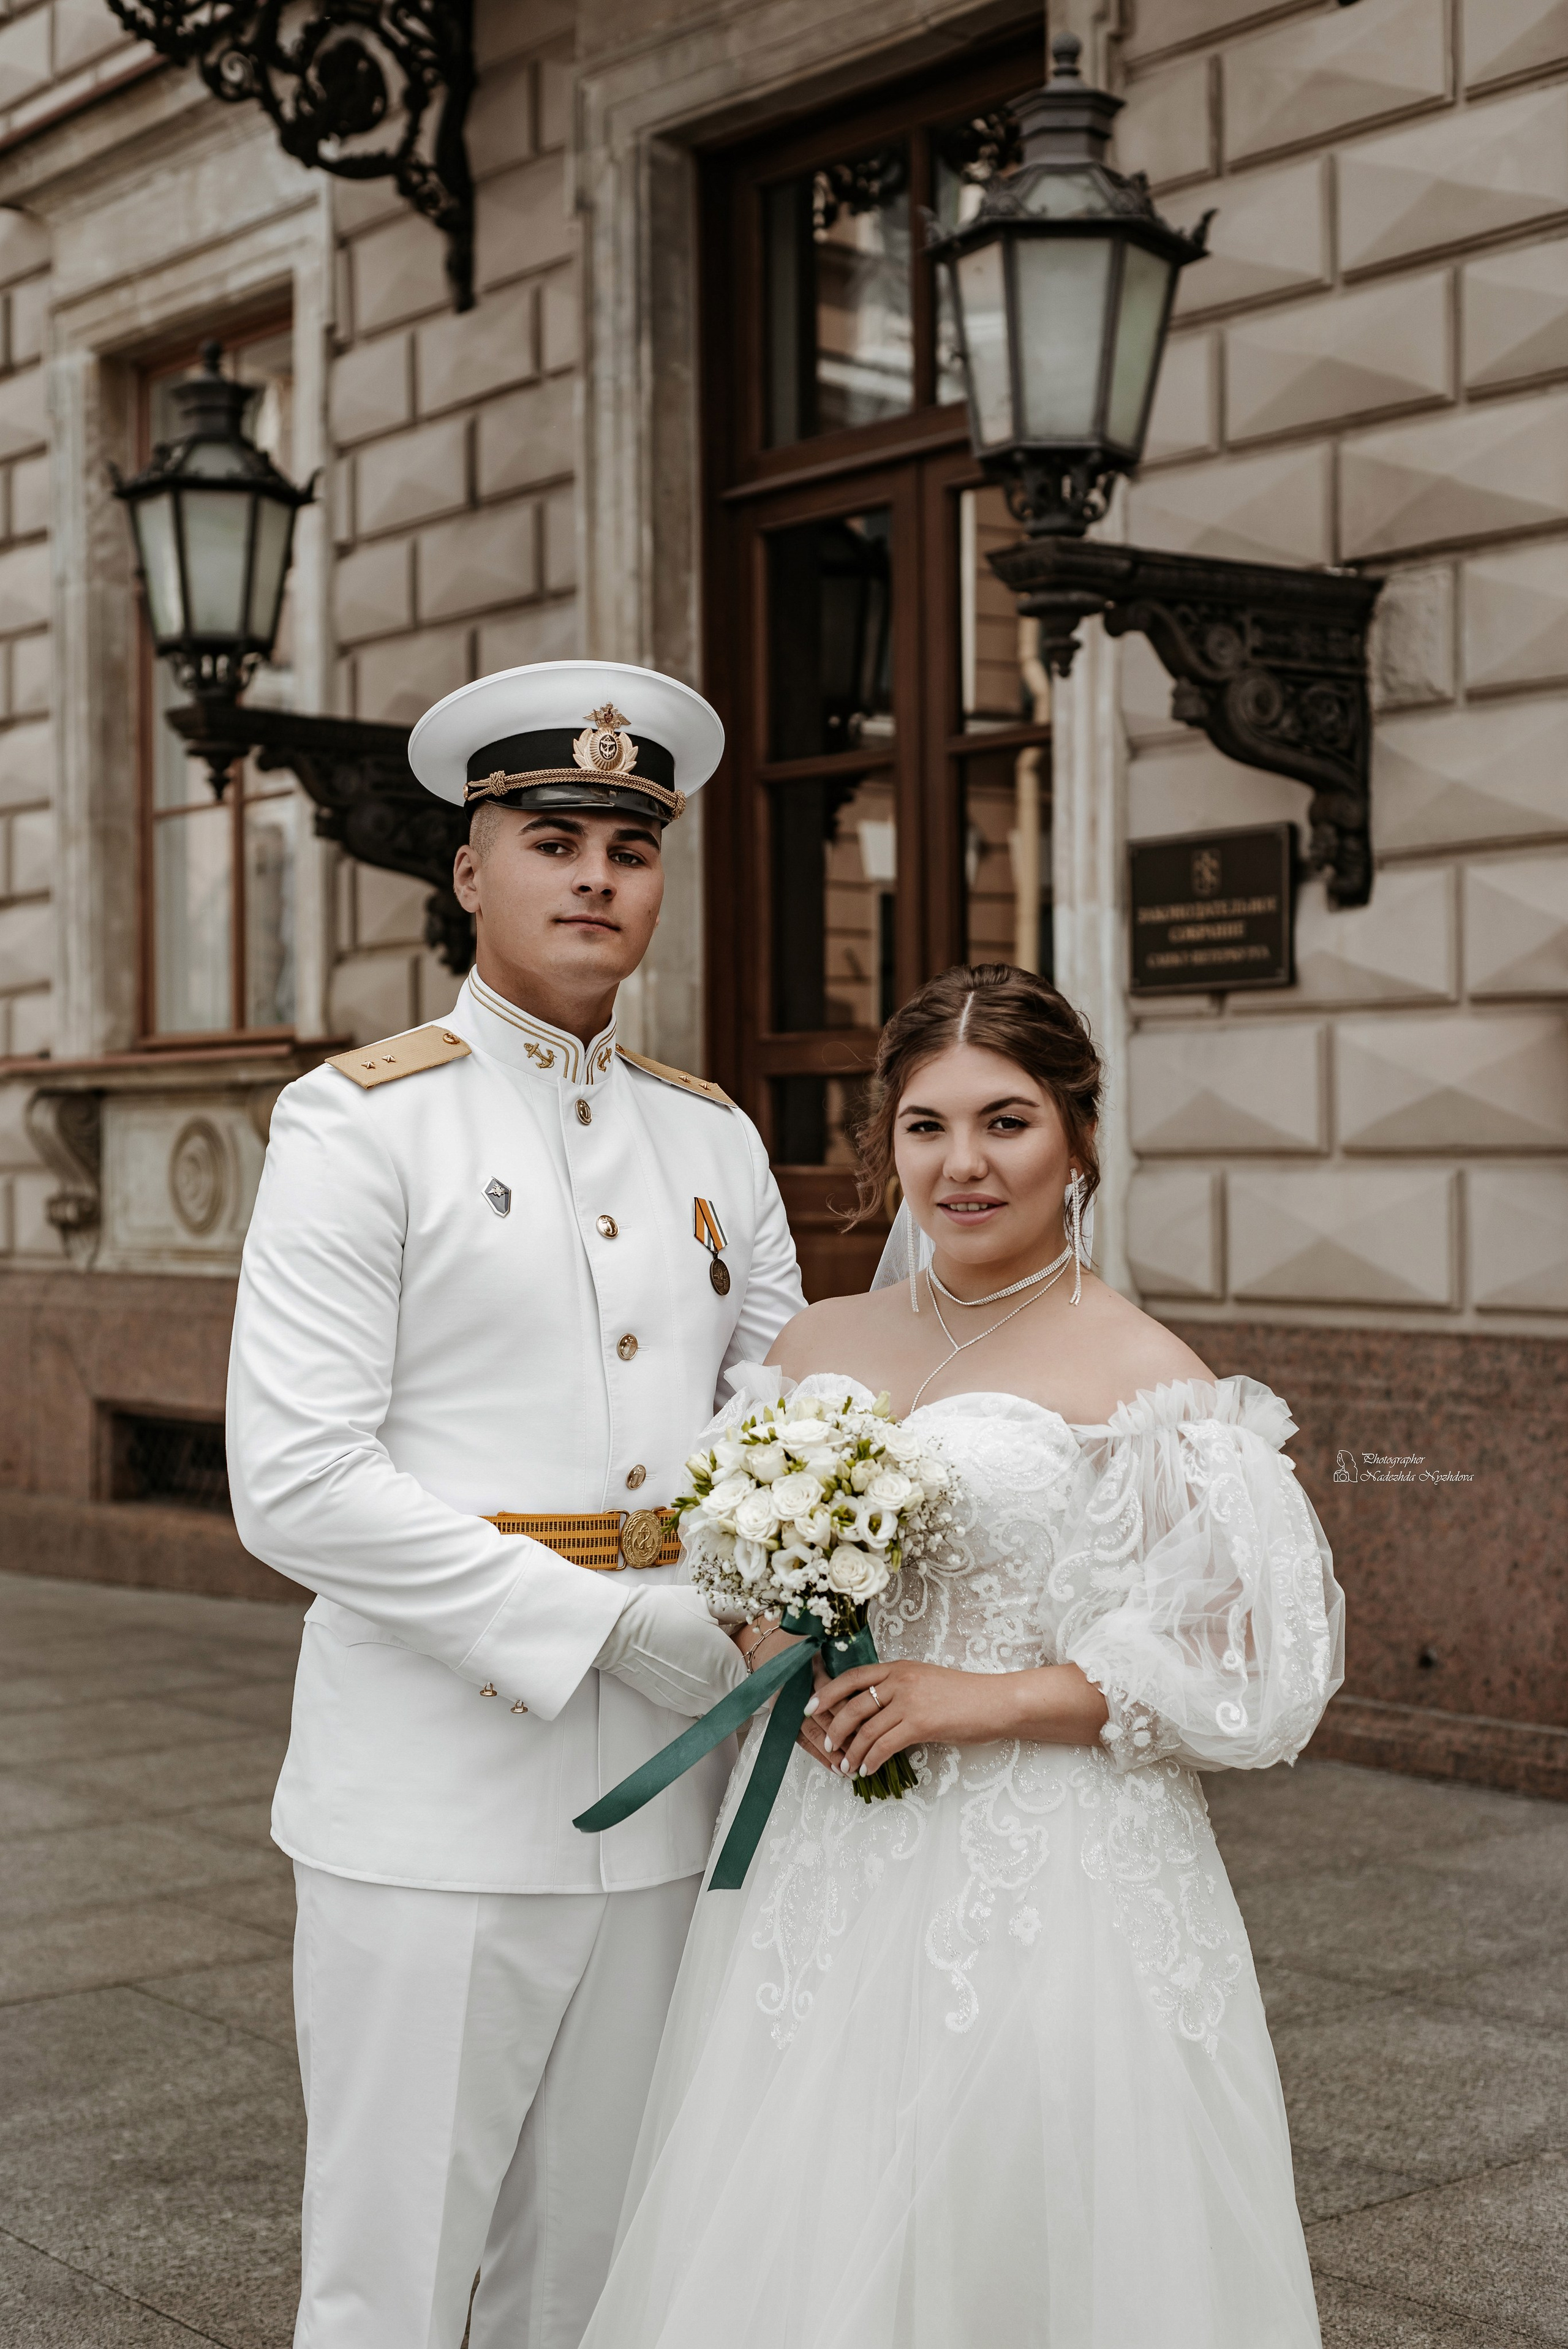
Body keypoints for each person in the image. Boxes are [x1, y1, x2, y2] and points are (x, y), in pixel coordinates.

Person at [580, 961, 1344, 2349]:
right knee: (804, 2193)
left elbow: (1245, 1657)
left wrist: (975, 1697)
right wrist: (772, 1631)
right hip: (825, 1834)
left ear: (1078, 1138)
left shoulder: (1142, 1374)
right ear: (888, 1141)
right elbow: (729, 1563)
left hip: (1044, 1854)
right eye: (926, 1125)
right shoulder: (815, 1339)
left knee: (1020, 2202)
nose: (963, 1164)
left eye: (1007, 1121)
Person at [226, 660, 805, 2349]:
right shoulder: (359, 1123)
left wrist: (765, 1592)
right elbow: (301, 1480)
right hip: (432, 1798)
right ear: (468, 867)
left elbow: (770, 1419)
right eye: (550, 838)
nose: (593, 879)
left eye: (628, 850)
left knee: (595, 2268)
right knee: (392, 2276)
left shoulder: (712, 1138)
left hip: (664, 1797)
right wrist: (619, 1619)